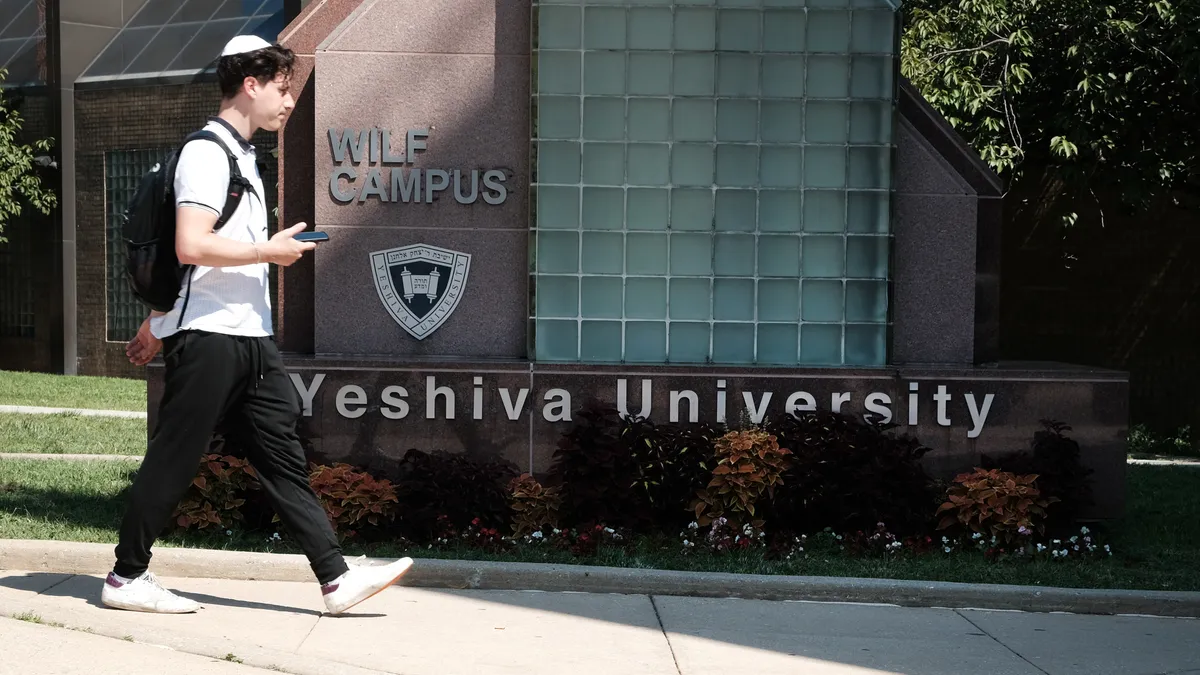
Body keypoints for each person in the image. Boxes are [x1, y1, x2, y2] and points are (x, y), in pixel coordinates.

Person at [102, 35, 412, 615]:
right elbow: (191, 244)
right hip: (212, 337)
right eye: (283, 87)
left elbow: (201, 258)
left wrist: (154, 320)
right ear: (251, 84)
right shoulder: (207, 153)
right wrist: (267, 253)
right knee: (176, 455)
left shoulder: (245, 156)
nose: (289, 100)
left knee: (282, 456)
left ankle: (335, 579)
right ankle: (125, 577)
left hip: (249, 337)